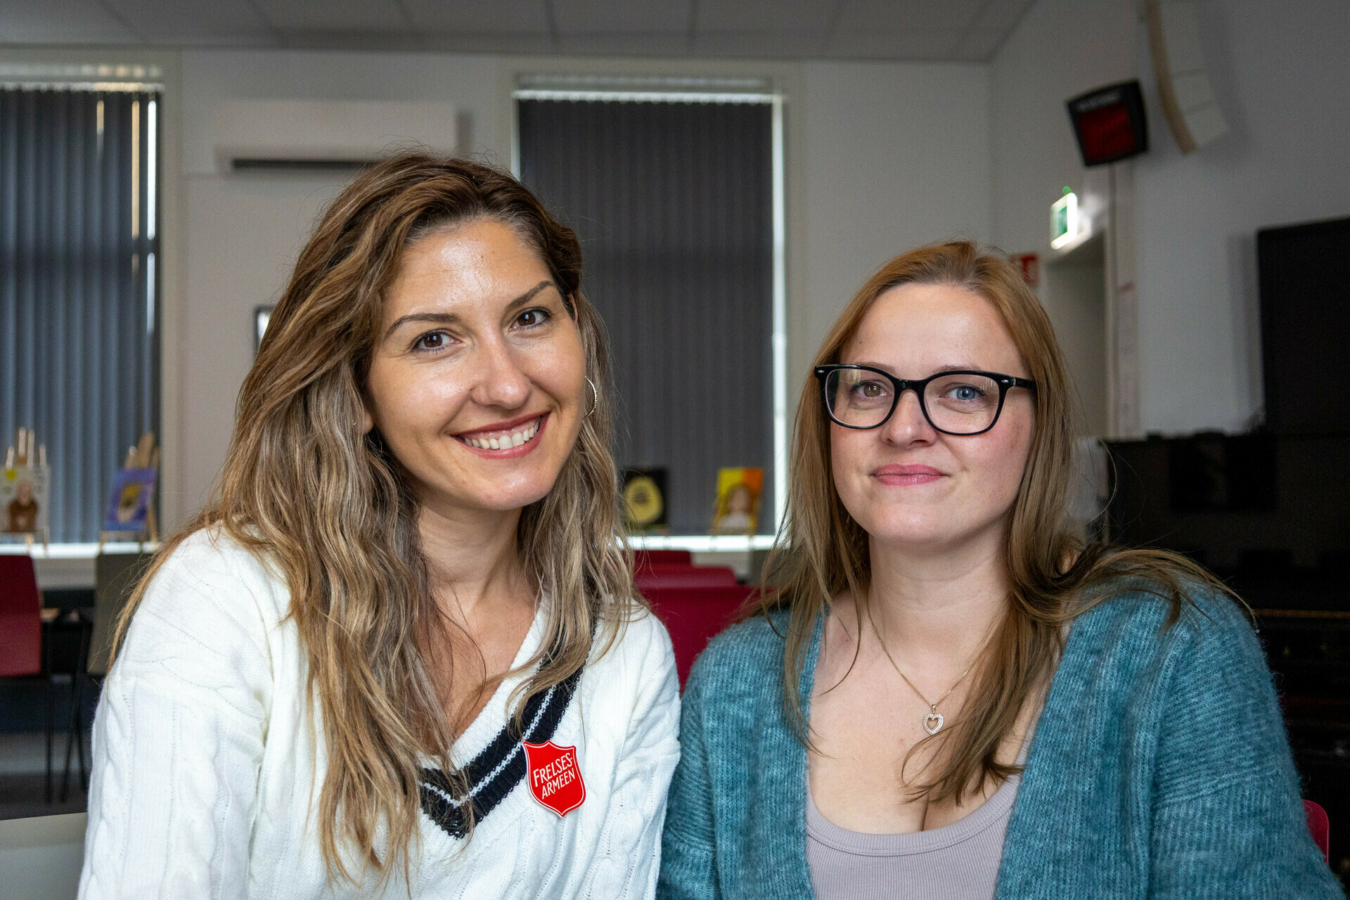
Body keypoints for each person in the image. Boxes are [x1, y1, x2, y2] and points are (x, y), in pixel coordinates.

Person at [659, 241, 1341, 899]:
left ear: (1038, 427)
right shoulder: (737, 683)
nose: (904, 427)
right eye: (870, 388)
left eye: (961, 392)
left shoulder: (1173, 654)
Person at [80, 154, 680, 899]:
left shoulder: (624, 656)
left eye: (529, 318)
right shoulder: (225, 603)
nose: (506, 384)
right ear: (356, 391)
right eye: (435, 339)